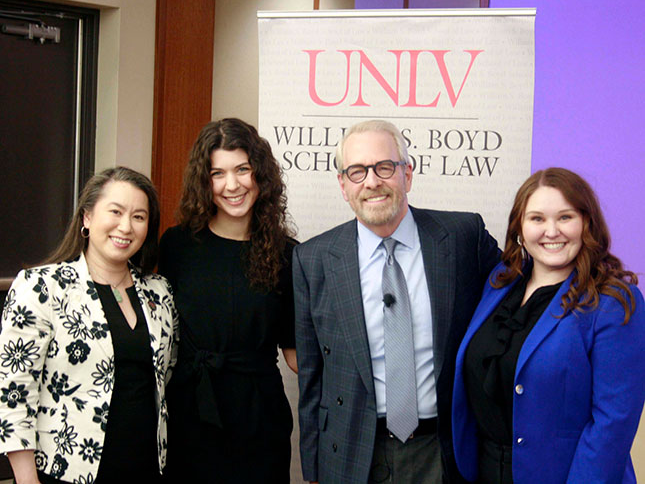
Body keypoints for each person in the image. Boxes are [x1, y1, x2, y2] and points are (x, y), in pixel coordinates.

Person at [293, 119, 500, 484]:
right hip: (353, 454)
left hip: (440, 452)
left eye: (384, 167)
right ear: (343, 185)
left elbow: (524, 288)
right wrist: (313, 469)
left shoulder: (462, 238)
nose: (372, 182)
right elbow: (312, 379)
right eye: (357, 171)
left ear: (408, 173)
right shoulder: (313, 260)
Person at [452, 167, 645, 483]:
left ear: (587, 224)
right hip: (484, 472)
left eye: (565, 217)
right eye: (537, 219)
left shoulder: (615, 302)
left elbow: (613, 424)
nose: (551, 231)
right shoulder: (499, 284)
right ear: (520, 228)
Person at [0, 167, 178, 484]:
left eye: (139, 216)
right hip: (65, 471)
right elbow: (14, 392)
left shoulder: (159, 292)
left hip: (147, 468)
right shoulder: (42, 287)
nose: (126, 226)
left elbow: (167, 378)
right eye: (115, 212)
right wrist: (27, 480)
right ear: (87, 217)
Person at [158, 118, 297, 483]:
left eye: (242, 170)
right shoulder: (176, 246)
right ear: (204, 182)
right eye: (217, 173)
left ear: (260, 175)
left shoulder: (288, 256)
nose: (232, 185)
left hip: (260, 421)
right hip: (189, 414)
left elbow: (298, 356)